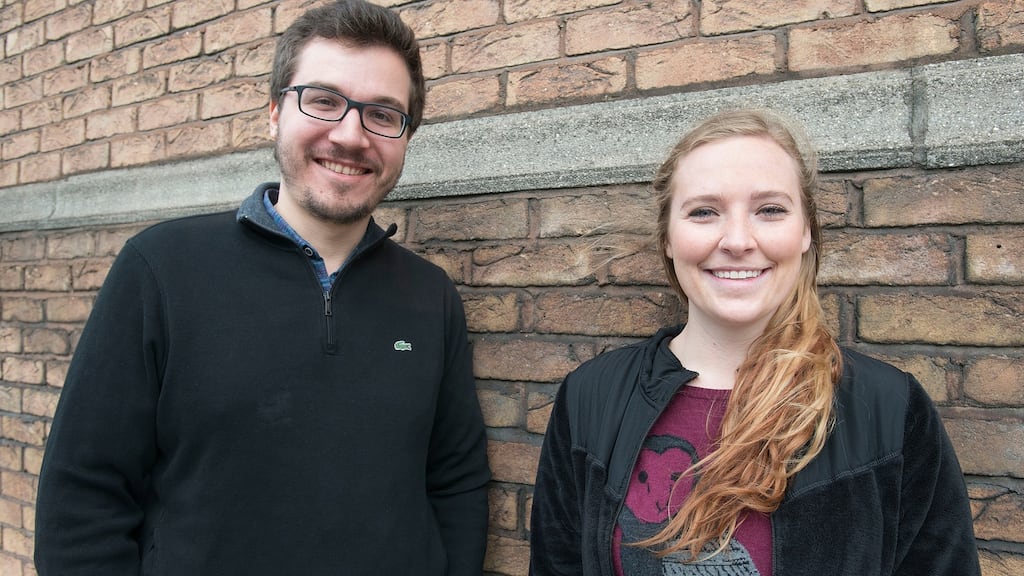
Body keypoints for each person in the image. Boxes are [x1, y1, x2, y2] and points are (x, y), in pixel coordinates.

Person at [33, 1, 491, 574]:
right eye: (323, 100)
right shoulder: (161, 269)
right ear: (275, 113)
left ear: (406, 136)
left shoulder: (430, 296)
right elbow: (83, 496)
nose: (351, 135)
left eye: (382, 113)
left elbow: (456, 484)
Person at [529, 109, 980, 575]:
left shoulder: (888, 406)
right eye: (704, 211)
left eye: (770, 210)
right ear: (667, 237)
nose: (738, 240)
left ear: (805, 232)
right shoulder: (591, 396)